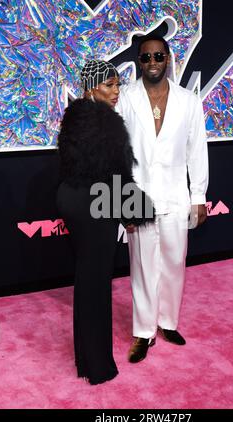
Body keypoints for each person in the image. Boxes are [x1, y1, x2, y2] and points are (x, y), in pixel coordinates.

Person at [56, 60, 154, 384]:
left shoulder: (76, 116)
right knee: (96, 281)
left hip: (73, 198)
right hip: (94, 204)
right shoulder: (104, 122)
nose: (116, 92)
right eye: (109, 85)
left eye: (117, 85)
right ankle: (98, 367)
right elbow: (116, 175)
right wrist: (132, 212)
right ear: (91, 86)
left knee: (87, 278)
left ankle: (87, 360)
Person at [117, 35, 209, 363]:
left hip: (175, 195)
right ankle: (144, 331)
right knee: (142, 267)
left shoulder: (189, 101)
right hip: (138, 195)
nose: (152, 62)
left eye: (158, 56)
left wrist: (198, 195)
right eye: (145, 58)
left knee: (173, 262)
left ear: (168, 58)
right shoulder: (125, 98)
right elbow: (117, 152)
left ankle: (167, 322)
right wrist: (122, 201)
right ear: (139, 61)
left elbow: (196, 150)